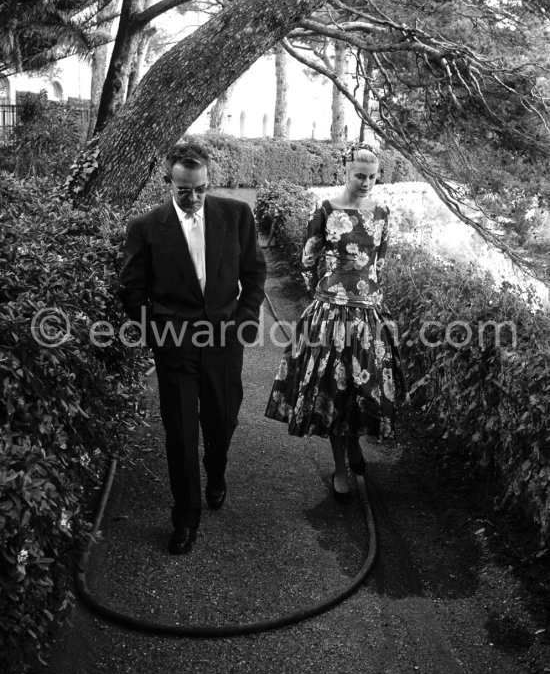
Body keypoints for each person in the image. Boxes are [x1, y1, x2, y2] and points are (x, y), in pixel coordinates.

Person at [120, 140, 266, 554]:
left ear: (208, 180)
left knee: (222, 422)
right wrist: (155, 337)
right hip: (175, 347)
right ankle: (185, 516)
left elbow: (255, 275)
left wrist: (243, 322)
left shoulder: (236, 215)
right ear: (170, 182)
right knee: (180, 433)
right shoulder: (146, 226)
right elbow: (132, 290)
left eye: (200, 188)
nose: (194, 197)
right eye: (184, 190)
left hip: (223, 342)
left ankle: (215, 471)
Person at [265, 145, 408, 501]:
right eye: (360, 175)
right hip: (329, 313)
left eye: (372, 176)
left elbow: (380, 264)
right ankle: (341, 466)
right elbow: (307, 259)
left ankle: (355, 447)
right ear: (346, 171)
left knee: (362, 391)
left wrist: (370, 302)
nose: (366, 182)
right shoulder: (326, 210)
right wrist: (328, 297)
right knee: (331, 390)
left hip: (367, 314)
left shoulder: (382, 213)